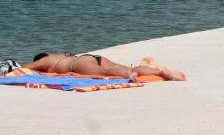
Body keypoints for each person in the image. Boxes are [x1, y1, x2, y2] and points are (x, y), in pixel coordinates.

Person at [26, 52, 186, 81]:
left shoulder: (46, 60)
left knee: (110, 72)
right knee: (123, 67)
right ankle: (160, 71)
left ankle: (128, 76)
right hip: (92, 57)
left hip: (78, 64)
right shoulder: (60, 56)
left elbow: (28, 67)